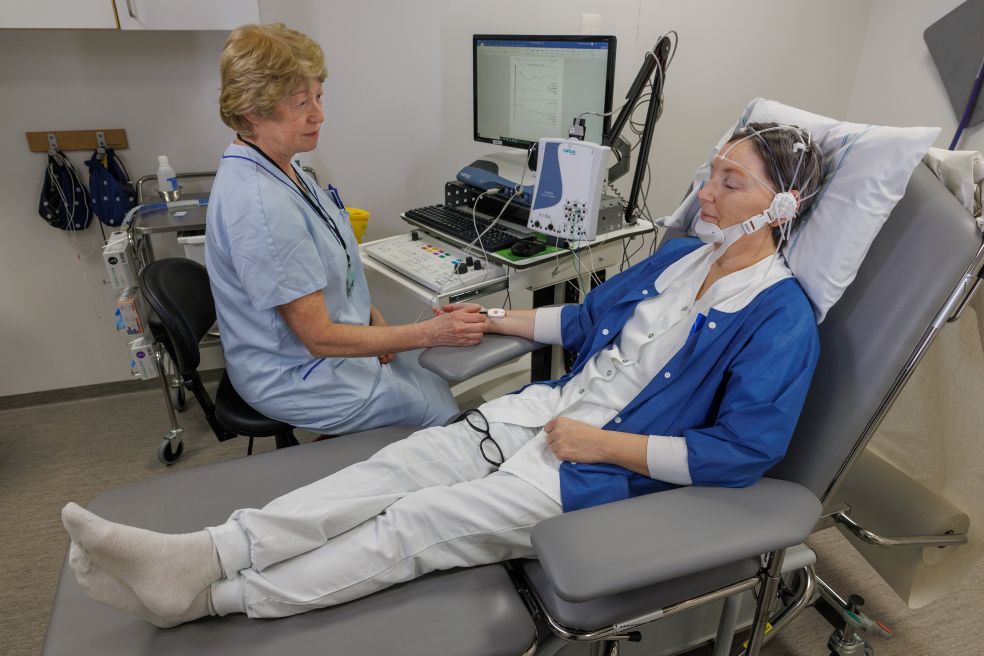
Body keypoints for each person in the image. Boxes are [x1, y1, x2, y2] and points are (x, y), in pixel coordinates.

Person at [62, 121, 825, 626]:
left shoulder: (779, 318)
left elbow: (742, 451)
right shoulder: (679, 256)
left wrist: (604, 447)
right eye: (712, 173)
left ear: (781, 208)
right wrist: (488, 322)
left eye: (733, 182)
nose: (708, 193)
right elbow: (584, 322)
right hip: (538, 416)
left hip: (595, 474)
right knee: (393, 469)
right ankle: (206, 552)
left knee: (416, 524)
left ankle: (220, 600)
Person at [205, 24, 485, 435]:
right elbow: (318, 337)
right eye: (301, 103)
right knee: (445, 420)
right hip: (300, 377)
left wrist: (372, 319)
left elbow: (328, 272)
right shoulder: (260, 206)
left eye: (319, 96)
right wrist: (429, 331)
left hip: (323, 349)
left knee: (431, 376)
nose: (319, 114)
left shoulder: (284, 164)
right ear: (252, 110)